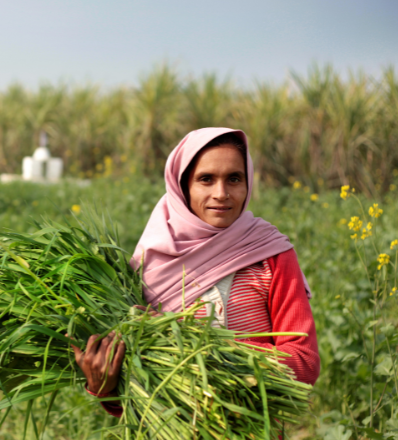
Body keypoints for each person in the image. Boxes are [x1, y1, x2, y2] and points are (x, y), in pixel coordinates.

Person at [70, 127, 320, 418]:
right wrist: (104, 386)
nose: (221, 193)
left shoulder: (271, 253)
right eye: (206, 179)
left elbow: (304, 363)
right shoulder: (149, 265)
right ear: (182, 186)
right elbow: (134, 394)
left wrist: (194, 346)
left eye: (234, 179)